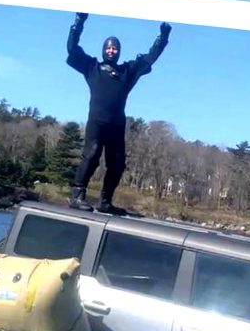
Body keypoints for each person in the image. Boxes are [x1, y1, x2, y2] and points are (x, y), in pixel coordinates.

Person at [66, 13, 171, 215]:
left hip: (116, 124)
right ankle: (77, 196)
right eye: (108, 47)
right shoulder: (92, 67)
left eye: (114, 48)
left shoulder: (127, 71)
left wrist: (162, 39)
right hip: (97, 122)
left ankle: (105, 201)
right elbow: (72, 49)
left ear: (119, 51)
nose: (111, 50)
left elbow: (149, 59)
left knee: (117, 164)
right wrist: (78, 23)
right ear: (103, 50)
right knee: (91, 155)